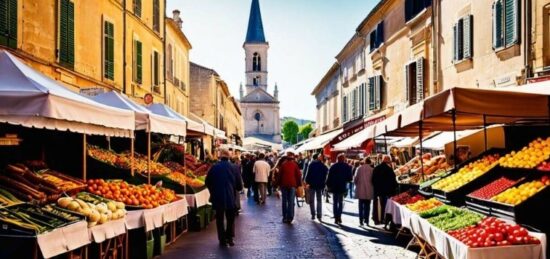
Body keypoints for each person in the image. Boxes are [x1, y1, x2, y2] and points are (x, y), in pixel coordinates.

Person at [205, 149, 243, 247]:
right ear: (229, 157)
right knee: (231, 218)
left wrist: (213, 191)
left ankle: (222, 239)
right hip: (230, 196)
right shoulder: (234, 168)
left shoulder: (214, 167)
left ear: (220, 156)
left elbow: (207, 182)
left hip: (217, 197)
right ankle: (229, 238)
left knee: (219, 219)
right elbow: (239, 186)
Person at [274, 149, 302, 224]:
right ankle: (290, 217)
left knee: (284, 201)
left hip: (284, 185)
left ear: (286, 158)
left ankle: (285, 217)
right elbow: (298, 175)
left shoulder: (283, 165)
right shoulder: (295, 165)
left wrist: (276, 184)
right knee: (291, 201)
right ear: (292, 158)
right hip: (292, 185)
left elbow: (279, 176)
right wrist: (299, 184)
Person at [326, 153, 353, 224]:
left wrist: (328, 185)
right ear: (343, 159)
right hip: (342, 186)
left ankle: (335, 216)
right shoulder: (347, 166)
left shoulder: (333, 166)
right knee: (340, 202)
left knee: (335, 202)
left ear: (337, 159)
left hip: (334, 186)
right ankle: (339, 216)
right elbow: (350, 178)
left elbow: (329, 177)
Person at [372, 155, 398, 226]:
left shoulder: (376, 168)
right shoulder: (389, 169)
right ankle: (385, 219)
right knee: (386, 205)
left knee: (379, 205)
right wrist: (395, 187)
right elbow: (393, 180)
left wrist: (376, 187)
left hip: (378, 190)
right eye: (389, 159)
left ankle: (377, 219)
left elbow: (373, 180)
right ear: (388, 160)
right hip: (387, 191)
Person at [304, 153, 328, 221]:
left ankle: (313, 214)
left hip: (312, 184)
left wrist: (307, 182)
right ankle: (319, 215)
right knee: (319, 200)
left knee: (312, 200)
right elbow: (326, 174)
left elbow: (308, 174)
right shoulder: (323, 166)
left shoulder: (311, 164)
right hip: (320, 185)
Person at [354, 158, 374, 226]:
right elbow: (373, 180)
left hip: (360, 189)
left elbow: (355, 179)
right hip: (369, 190)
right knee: (367, 206)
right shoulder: (372, 170)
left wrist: (357, 184)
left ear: (364, 162)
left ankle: (361, 220)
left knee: (360, 205)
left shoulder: (359, 168)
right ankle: (367, 220)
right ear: (370, 162)